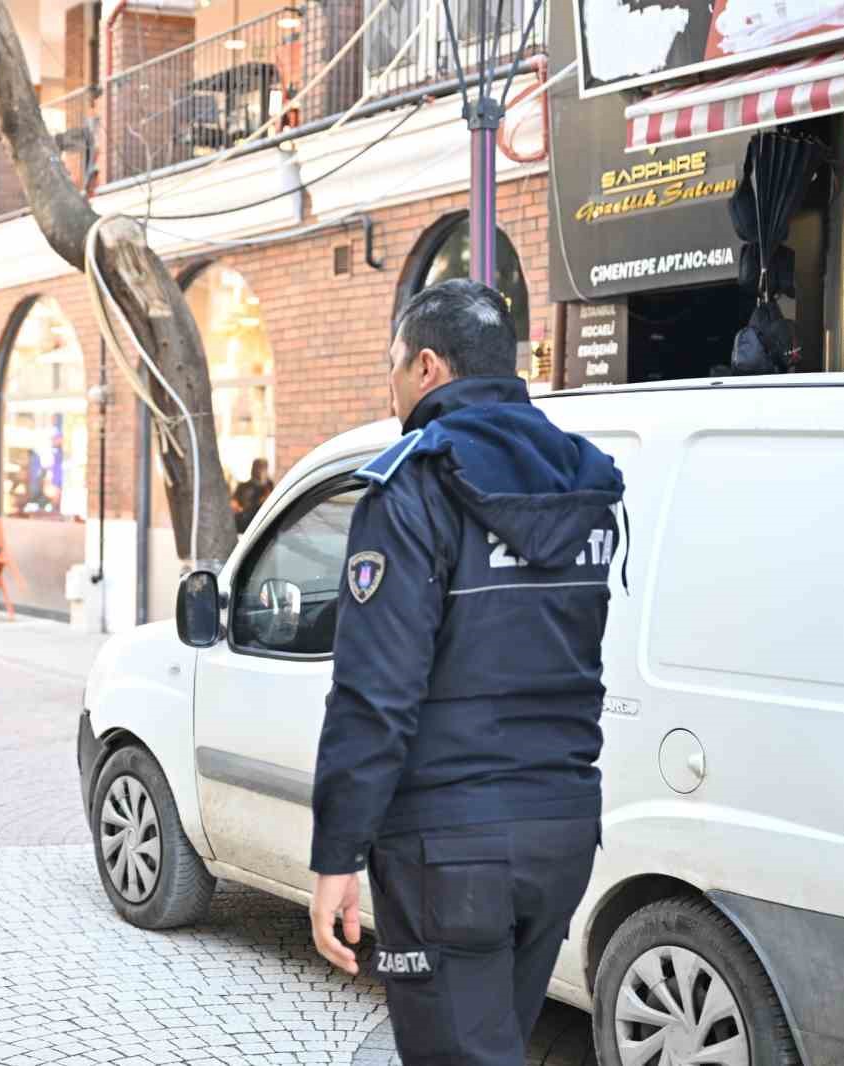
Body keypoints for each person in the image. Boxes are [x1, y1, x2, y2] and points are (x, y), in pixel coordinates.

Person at [307, 280, 625, 1065]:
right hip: (561, 830)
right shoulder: (581, 478)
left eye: (392, 367)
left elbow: (375, 695)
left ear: (426, 367)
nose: (390, 389)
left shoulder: (415, 484)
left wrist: (336, 857)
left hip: (448, 849)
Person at [230, 458, 275, 533]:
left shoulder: (268, 486)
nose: (259, 471)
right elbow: (234, 503)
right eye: (258, 468)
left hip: (258, 521)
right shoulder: (243, 486)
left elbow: (268, 501)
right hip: (243, 521)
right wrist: (239, 508)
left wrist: (264, 482)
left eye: (262, 468)